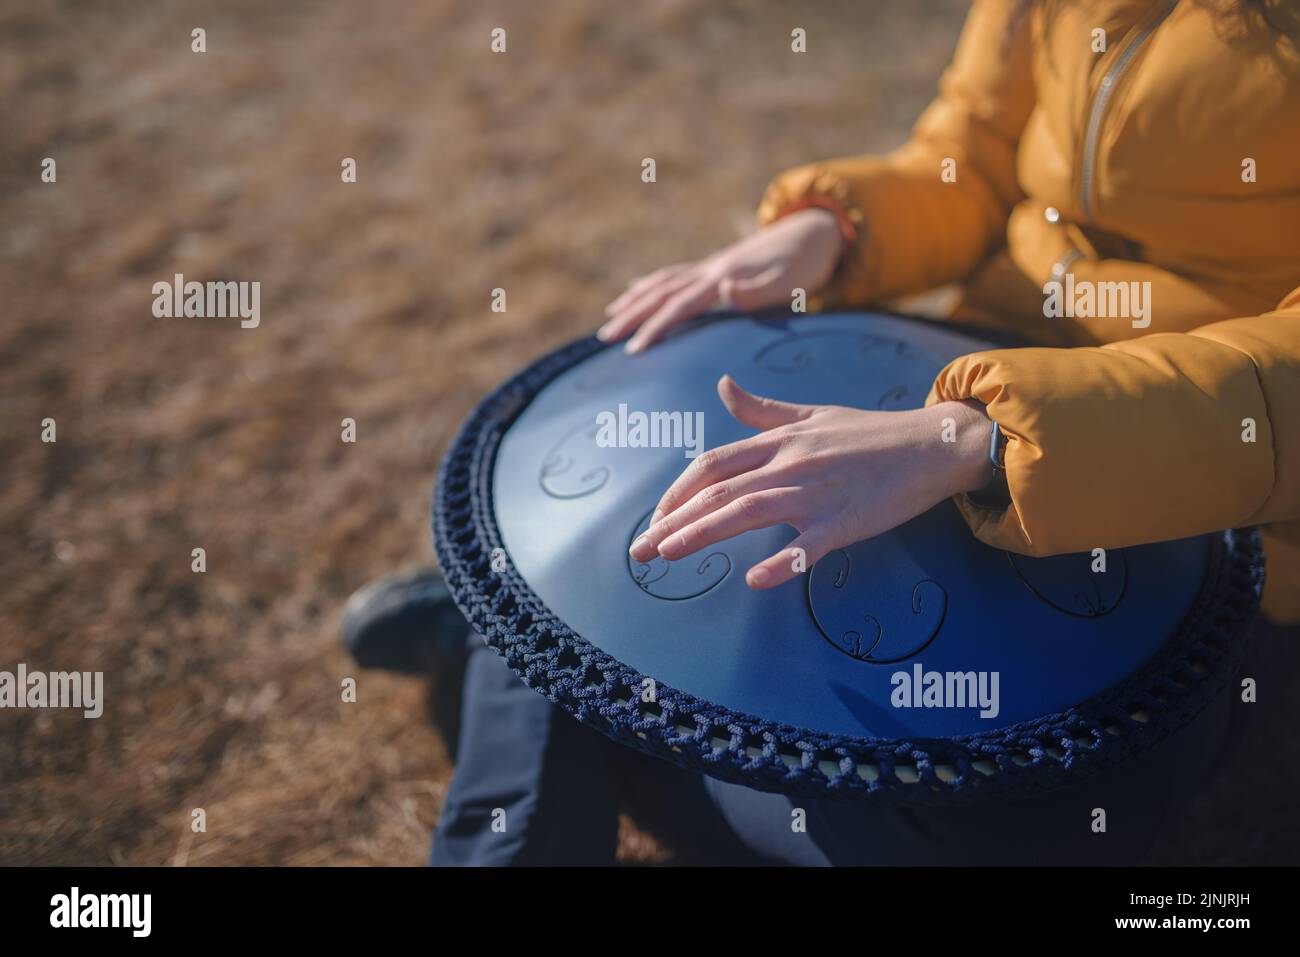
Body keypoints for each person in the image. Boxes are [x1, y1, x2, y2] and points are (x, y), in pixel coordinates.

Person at [345, 0, 1300, 864]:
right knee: (645, 508)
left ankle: (511, 651)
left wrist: (983, 438)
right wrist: (831, 232)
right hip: (952, 373)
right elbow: (970, 156)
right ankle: (534, 663)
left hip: (1203, 515)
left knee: (976, 819)